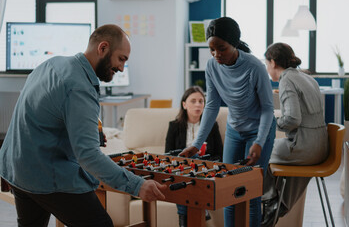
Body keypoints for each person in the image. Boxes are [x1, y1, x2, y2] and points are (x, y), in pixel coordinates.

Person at [0, 24, 167, 227]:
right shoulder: (79, 86)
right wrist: (137, 186)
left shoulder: (52, 64)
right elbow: (88, 156)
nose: (122, 68)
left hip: (18, 169)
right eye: (121, 59)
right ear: (103, 48)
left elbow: (29, 116)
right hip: (46, 175)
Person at [179, 17, 276, 227]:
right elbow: (212, 105)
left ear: (234, 43)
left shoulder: (254, 67)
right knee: (228, 192)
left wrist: (259, 141)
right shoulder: (212, 66)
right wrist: (196, 144)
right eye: (211, 49)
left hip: (259, 132)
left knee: (250, 194)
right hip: (235, 130)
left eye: (221, 48)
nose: (216, 55)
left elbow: (268, 108)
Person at [261, 43, 328, 226]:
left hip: (305, 148)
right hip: (321, 149)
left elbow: (292, 119)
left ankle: (268, 202)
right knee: (283, 158)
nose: (267, 69)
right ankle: (279, 205)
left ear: (273, 62)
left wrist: (275, 123)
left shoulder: (286, 80)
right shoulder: (308, 78)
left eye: (267, 64)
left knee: (262, 152)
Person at [165, 85, 223, 227]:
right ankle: (201, 208)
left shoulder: (212, 125)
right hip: (181, 170)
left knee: (195, 158)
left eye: (201, 101)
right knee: (183, 180)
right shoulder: (174, 126)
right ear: (184, 104)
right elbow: (167, 155)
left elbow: (219, 155)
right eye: (193, 101)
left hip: (205, 170)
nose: (198, 104)